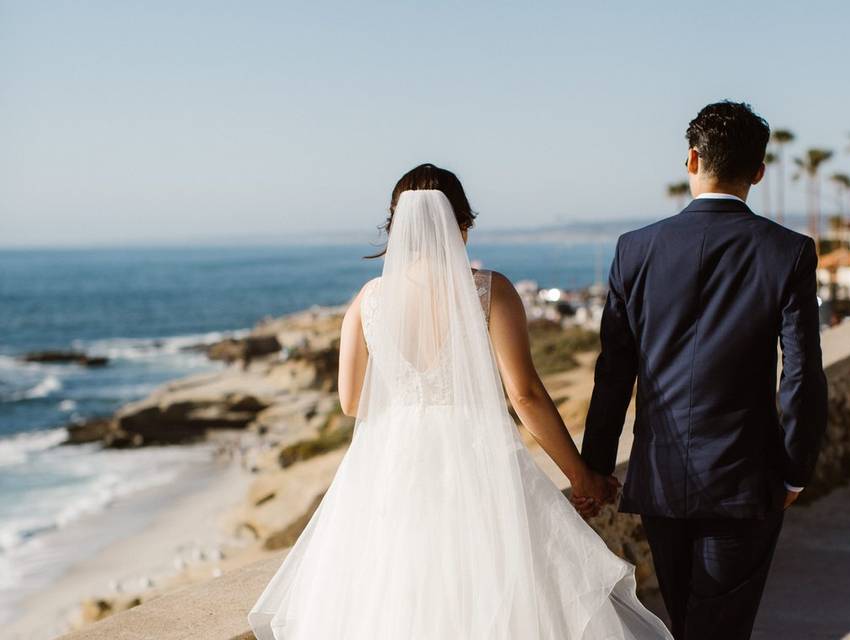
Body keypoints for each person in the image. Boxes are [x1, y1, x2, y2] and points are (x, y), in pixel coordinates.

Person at [248, 163, 672, 639]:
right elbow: (525, 394)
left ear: (396, 227)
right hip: (478, 462)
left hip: (390, 470)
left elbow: (351, 402)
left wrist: (411, 413)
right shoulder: (490, 291)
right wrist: (582, 476)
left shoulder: (366, 301)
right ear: (462, 225)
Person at [578, 101, 828, 640]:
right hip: (744, 478)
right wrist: (795, 469)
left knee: (689, 624)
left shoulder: (634, 250)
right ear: (758, 172)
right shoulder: (788, 252)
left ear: (691, 159)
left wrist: (595, 466)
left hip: (662, 479)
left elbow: (614, 371)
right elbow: (802, 373)